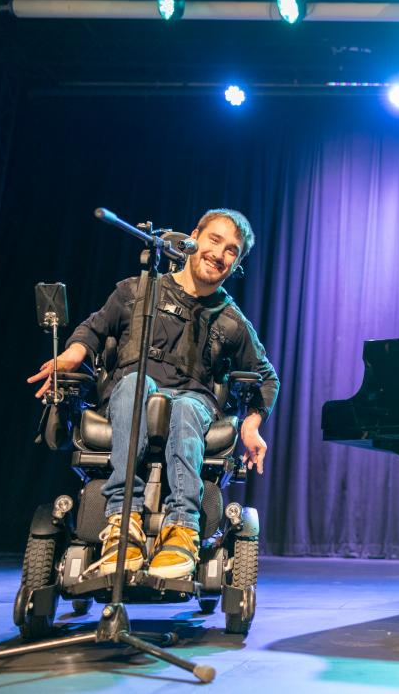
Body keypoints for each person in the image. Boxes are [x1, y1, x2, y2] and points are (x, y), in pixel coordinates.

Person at [28, 209, 279, 579]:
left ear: (236, 263)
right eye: (214, 240)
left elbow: (266, 377)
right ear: (194, 236)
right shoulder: (137, 290)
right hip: (132, 392)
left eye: (232, 251)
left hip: (194, 402)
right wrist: (70, 356)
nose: (220, 254)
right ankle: (121, 521)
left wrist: (252, 424)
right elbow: (94, 330)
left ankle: (182, 528)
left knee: (187, 408)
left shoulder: (231, 320)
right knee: (135, 384)